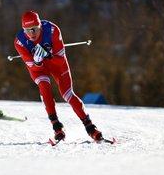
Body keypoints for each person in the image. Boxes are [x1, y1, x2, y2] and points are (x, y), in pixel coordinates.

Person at [14, 10, 104, 141]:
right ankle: (56, 126)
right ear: (23, 30)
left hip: (56, 63)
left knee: (67, 94)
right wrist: (38, 61)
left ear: (40, 26)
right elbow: (32, 67)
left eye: (34, 29)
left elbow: (60, 60)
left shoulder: (52, 30)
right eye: (27, 30)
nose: (32, 33)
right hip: (39, 69)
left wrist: (48, 55)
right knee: (44, 88)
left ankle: (90, 126)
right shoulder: (19, 42)